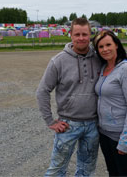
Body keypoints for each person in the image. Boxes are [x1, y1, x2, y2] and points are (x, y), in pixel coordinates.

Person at [36, 18, 102, 176]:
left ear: (90, 35)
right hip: (68, 125)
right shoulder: (58, 61)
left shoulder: (99, 58)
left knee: (87, 169)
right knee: (57, 169)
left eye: (85, 34)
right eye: (77, 34)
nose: (81, 38)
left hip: (93, 125)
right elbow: (42, 91)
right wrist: (50, 121)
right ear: (70, 35)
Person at [93, 30, 127, 177]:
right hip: (104, 133)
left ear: (117, 45)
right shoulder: (104, 68)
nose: (105, 49)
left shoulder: (126, 69)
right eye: (100, 47)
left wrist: (125, 140)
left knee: (124, 174)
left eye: (108, 45)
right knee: (113, 173)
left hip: (120, 135)